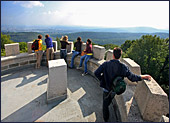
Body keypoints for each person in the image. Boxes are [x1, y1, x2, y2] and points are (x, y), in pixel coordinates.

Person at [94, 47, 151, 122]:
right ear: (120, 56)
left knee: (105, 105)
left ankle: (106, 119)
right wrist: (143, 76)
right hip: (115, 89)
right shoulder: (123, 67)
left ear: (113, 55)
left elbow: (96, 73)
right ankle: (109, 101)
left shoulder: (106, 64)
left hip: (106, 88)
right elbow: (132, 77)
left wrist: (102, 80)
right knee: (110, 98)